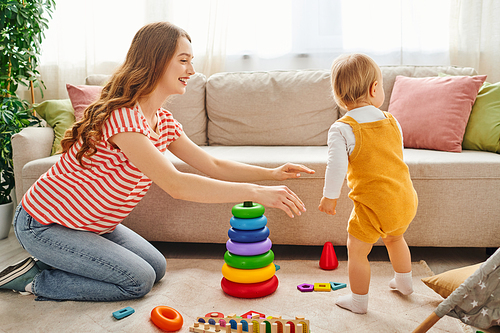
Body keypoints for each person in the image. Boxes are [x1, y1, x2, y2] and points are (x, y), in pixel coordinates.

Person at [0, 22, 314, 301]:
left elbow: (212, 165)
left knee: (157, 267)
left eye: (192, 62)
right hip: (43, 224)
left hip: (93, 227)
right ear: (156, 62)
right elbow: (177, 185)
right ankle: (33, 279)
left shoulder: (162, 121)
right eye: (184, 61)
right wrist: (255, 193)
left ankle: (58, 259)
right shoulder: (123, 118)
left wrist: (270, 173)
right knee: (137, 281)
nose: (192, 71)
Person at [318, 53, 418, 314]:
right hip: (404, 197)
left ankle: (358, 302)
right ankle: (405, 283)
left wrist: (330, 197)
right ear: (375, 89)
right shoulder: (391, 120)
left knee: (357, 250)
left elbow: (336, 167)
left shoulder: (341, 128)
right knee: (395, 239)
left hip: (372, 204)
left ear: (339, 96)